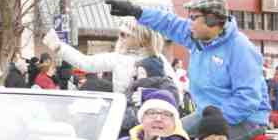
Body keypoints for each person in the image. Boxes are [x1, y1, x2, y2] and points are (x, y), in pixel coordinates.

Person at [105, 0, 271, 140]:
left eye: (193, 18)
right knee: (160, 138)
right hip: (206, 114)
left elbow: (248, 99)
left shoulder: (240, 49)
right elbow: (169, 23)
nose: (189, 23)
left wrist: (212, 124)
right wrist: (136, 11)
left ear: (212, 20)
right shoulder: (197, 38)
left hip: (245, 119)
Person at [41, 18, 179, 93]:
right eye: (120, 33)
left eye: (125, 34)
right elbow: (86, 63)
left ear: (140, 37)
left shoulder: (157, 59)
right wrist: (59, 47)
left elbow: (175, 87)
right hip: (124, 114)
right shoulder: (117, 58)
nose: (120, 38)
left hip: (152, 114)